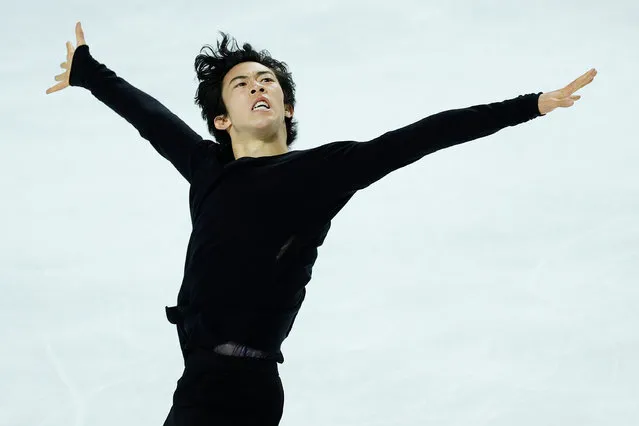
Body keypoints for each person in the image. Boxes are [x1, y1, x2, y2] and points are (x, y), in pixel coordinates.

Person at [46, 21, 597, 426]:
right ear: (221, 118)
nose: (258, 87)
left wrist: (530, 105)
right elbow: (150, 117)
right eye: (241, 84)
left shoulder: (320, 172)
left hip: (246, 387)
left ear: (286, 107)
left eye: (267, 81)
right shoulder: (206, 168)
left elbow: (422, 136)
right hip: (197, 378)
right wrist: (88, 72)